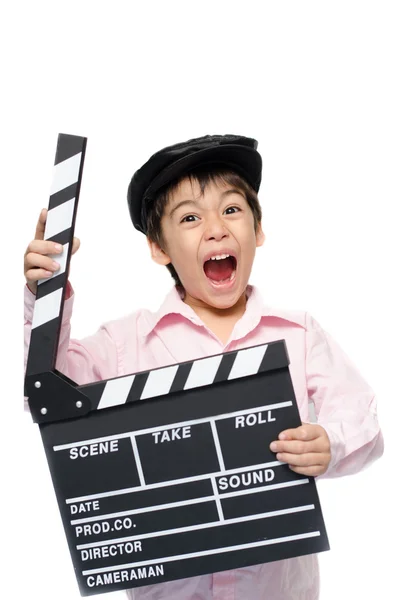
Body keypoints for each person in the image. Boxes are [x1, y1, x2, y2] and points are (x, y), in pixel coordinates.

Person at [23, 134, 384, 600]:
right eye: (190, 217)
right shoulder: (124, 343)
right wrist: (45, 298)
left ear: (258, 231)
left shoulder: (299, 333)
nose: (216, 228)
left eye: (231, 210)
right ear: (159, 248)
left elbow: (364, 421)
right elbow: (50, 397)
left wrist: (330, 444)